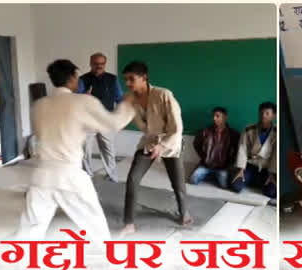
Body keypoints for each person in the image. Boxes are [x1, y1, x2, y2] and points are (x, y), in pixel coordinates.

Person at [15, 58, 136, 245]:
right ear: (73, 78)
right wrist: (128, 103)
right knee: (96, 228)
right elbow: (113, 124)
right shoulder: (83, 101)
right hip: (69, 176)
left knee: (29, 231)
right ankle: (107, 263)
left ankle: (17, 267)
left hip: (41, 176)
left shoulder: (39, 106)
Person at [119, 60, 191, 236]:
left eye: (131, 79)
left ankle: (184, 213)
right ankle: (129, 223)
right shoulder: (130, 99)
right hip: (149, 142)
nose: (127, 84)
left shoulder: (164, 95)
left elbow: (177, 128)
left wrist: (163, 145)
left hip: (170, 142)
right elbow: (125, 120)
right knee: (133, 179)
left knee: (178, 184)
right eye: (126, 80)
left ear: (144, 78)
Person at [79, 52, 124, 181]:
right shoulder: (82, 79)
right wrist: (84, 97)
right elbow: (76, 99)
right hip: (87, 121)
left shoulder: (112, 79)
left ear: (105, 64)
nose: (99, 66)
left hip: (106, 119)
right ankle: (87, 174)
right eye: (96, 63)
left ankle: (112, 176)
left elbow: (119, 98)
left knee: (108, 149)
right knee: (85, 149)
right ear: (90, 63)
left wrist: (119, 117)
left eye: (102, 63)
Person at [230, 102, 276, 201]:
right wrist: (241, 170)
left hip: (267, 168)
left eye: (267, 113)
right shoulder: (249, 129)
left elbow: (275, 155)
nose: (263, 116)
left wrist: (272, 174)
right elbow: (242, 149)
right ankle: (253, 179)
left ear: (274, 116)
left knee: (271, 193)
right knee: (236, 186)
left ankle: (257, 181)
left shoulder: (277, 132)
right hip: (251, 165)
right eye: (261, 113)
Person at [189, 107, 240, 189]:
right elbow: (196, 144)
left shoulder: (233, 134)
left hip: (223, 167)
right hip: (206, 165)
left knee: (224, 185)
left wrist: (231, 162)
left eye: (217, 116)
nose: (214, 119)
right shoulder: (205, 131)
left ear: (225, 117)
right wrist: (204, 157)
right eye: (213, 116)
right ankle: (210, 174)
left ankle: (214, 175)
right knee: (193, 180)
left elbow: (238, 150)